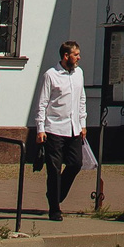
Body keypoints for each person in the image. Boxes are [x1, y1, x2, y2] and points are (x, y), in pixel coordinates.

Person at [27, 41, 87, 221]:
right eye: (76, 54)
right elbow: (42, 103)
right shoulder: (50, 75)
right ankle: (55, 208)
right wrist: (40, 128)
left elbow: (81, 98)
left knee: (76, 163)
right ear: (66, 56)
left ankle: (56, 194)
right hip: (54, 128)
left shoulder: (79, 73)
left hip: (74, 128)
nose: (79, 58)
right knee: (54, 169)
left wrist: (83, 123)